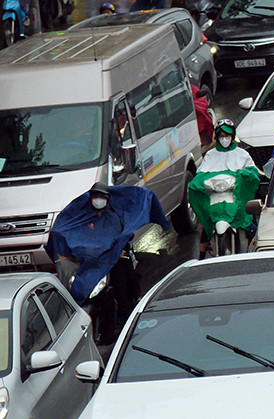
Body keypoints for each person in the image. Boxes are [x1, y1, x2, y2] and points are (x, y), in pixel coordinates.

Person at [46, 183, 170, 345]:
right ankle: (104, 334)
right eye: (96, 197)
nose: (99, 200)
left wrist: (119, 251)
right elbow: (70, 235)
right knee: (92, 298)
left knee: (122, 295)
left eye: (102, 197)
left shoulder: (112, 218)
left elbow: (120, 237)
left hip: (113, 263)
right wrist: (64, 251)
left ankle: (130, 333)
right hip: (91, 266)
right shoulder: (82, 218)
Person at [187, 120, 259, 257]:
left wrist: (243, 175)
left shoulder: (242, 154)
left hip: (236, 195)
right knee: (207, 222)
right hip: (215, 195)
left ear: (232, 137)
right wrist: (197, 182)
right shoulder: (210, 155)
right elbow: (201, 173)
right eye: (221, 136)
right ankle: (201, 256)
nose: (224, 139)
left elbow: (253, 172)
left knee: (248, 222)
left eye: (227, 135)